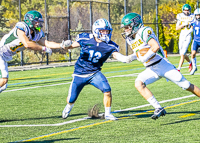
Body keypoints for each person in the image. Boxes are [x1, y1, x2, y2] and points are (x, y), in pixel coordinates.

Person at [120, 12, 200, 120]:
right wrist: (131, 57)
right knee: (139, 83)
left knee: (186, 86)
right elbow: (140, 51)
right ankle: (158, 107)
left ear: (135, 24)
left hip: (162, 65)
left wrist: (144, 58)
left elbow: (155, 46)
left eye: (128, 27)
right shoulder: (130, 38)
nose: (126, 30)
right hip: (151, 68)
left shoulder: (144, 31)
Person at [62, 18, 135, 120]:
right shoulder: (85, 38)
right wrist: (65, 45)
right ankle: (68, 107)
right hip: (79, 73)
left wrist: (128, 58)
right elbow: (70, 47)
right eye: (102, 31)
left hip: (94, 73)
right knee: (71, 99)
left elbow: (117, 55)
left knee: (107, 90)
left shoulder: (110, 45)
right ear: (96, 30)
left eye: (107, 31)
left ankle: (108, 114)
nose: (105, 33)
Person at [0, 10, 71, 93]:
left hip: (4, 56)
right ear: (29, 21)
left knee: (4, 86)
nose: (38, 24)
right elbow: (27, 44)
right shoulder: (22, 27)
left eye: (39, 22)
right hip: (1, 52)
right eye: (36, 22)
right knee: (4, 80)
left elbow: (46, 43)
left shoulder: (36, 33)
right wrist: (43, 49)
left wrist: (61, 45)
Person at [176, 4, 193, 72]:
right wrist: (183, 24)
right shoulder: (180, 16)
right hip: (182, 35)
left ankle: (178, 69)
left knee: (183, 53)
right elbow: (177, 28)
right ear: (183, 10)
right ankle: (190, 63)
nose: (186, 12)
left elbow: (194, 26)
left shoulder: (192, 16)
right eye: (185, 10)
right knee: (182, 53)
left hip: (188, 35)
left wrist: (190, 25)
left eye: (187, 10)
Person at [189, 8, 200, 75]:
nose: (198, 16)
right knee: (193, 54)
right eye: (197, 15)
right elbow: (191, 27)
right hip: (196, 40)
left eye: (199, 15)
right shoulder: (193, 21)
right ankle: (194, 67)